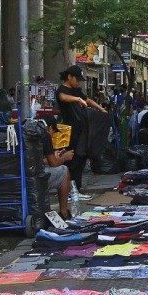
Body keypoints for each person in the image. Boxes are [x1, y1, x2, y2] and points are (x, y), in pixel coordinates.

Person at [56, 65, 107, 200]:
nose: (78, 82)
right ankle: (69, 191)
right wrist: (77, 99)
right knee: (71, 161)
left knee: (80, 159)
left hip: (81, 131)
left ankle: (76, 189)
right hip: (68, 131)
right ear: (69, 77)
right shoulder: (62, 90)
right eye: (77, 79)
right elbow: (63, 98)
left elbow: (87, 100)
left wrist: (100, 108)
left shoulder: (76, 90)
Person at [41, 120, 74, 220]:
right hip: (35, 176)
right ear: (50, 128)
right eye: (53, 132)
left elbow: (38, 160)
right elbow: (54, 163)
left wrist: (54, 157)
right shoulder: (44, 135)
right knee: (64, 170)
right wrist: (64, 158)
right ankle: (64, 212)